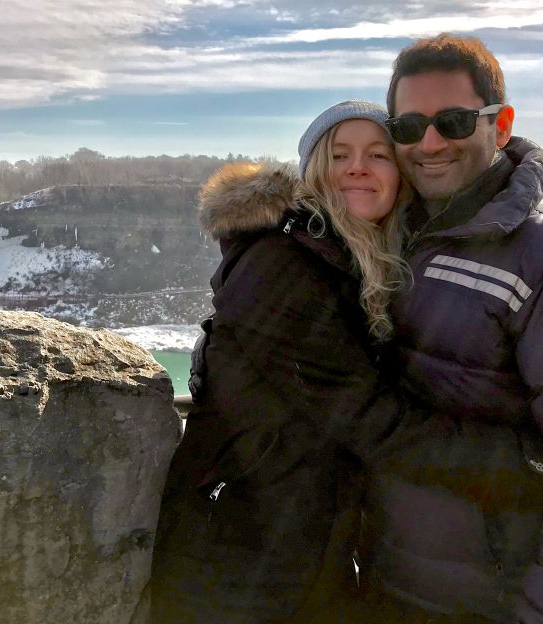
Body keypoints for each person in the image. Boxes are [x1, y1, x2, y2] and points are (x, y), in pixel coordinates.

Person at [359, 33, 543, 624]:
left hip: (493, 599)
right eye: (407, 127)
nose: (428, 144)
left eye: (452, 120)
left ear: (500, 126)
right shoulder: (393, 235)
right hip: (389, 583)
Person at [147, 100, 419, 623]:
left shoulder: (349, 260)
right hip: (236, 555)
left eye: (378, 155)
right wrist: (510, 460)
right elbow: (367, 418)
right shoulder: (283, 264)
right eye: (339, 154)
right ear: (315, 171)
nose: (357, 167)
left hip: (295, 541)